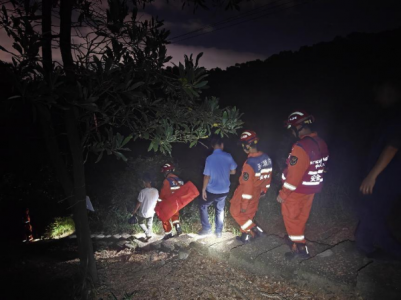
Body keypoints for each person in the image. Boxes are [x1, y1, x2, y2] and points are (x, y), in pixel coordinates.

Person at [356, 81, 401, 260]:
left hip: (387, 175)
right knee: (370, 209)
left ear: (389, 90)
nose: (377, 98)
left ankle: (393, 251)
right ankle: (363, 244)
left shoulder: (397, 114)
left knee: (372, 211)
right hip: (384, 174)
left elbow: (392, 146)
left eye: (379, 93)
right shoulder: (390, 114)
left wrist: (372, 175)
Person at [277, 110, 329, 259]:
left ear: (298, 127)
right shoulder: (320, 142)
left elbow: (294, 175)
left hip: (296, 191)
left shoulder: (301, 147)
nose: (291, 132)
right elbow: (323, 164)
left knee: (291, 218)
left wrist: (283, 193)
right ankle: (297, 239)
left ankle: (299, 248)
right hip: (311, 188)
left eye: (291, 128)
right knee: (301, 216)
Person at [230, 131, 272, 243]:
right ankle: (246, 237)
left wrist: (244, 203)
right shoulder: (266, 158)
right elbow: (268, 176)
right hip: (258, 191)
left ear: (247, 146)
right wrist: (264, 190)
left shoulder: (250, 163)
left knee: (236, 212)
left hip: (246, 191)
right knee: (248, 214)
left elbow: (247, 186)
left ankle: (254, 228)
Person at [199, 135, 237, 238]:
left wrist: (203, 189)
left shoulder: (209, 158)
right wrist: (224, 171)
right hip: (224, 190)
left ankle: (207, 229)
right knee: (220, 209)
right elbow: (233, 171)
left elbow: (206, 176)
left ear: (212, 146)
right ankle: (219, 232)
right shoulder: (228, 156)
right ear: (222, 145)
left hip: (212, 190)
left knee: (203, 206)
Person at [159, 163, 184, 240]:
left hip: (169, 201)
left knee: (164, 216)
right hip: (178, 202)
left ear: (167, 171)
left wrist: (159, 202)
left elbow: (163, 193)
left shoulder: (167, 181)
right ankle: (177, 226)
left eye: (164, 172)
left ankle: (168, 233)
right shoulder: (179, 180)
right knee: (175, 215)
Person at [132, 174, 159, 240]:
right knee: (149, 224)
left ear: (144, 182)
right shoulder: (156, 190)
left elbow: (139, 202)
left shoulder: (143, 191)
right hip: (152, 211)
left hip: (143, 211)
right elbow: (157, 200)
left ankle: (147, 233)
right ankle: (148, 235)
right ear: (150, 182)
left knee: (140, 222)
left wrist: (135, 210)